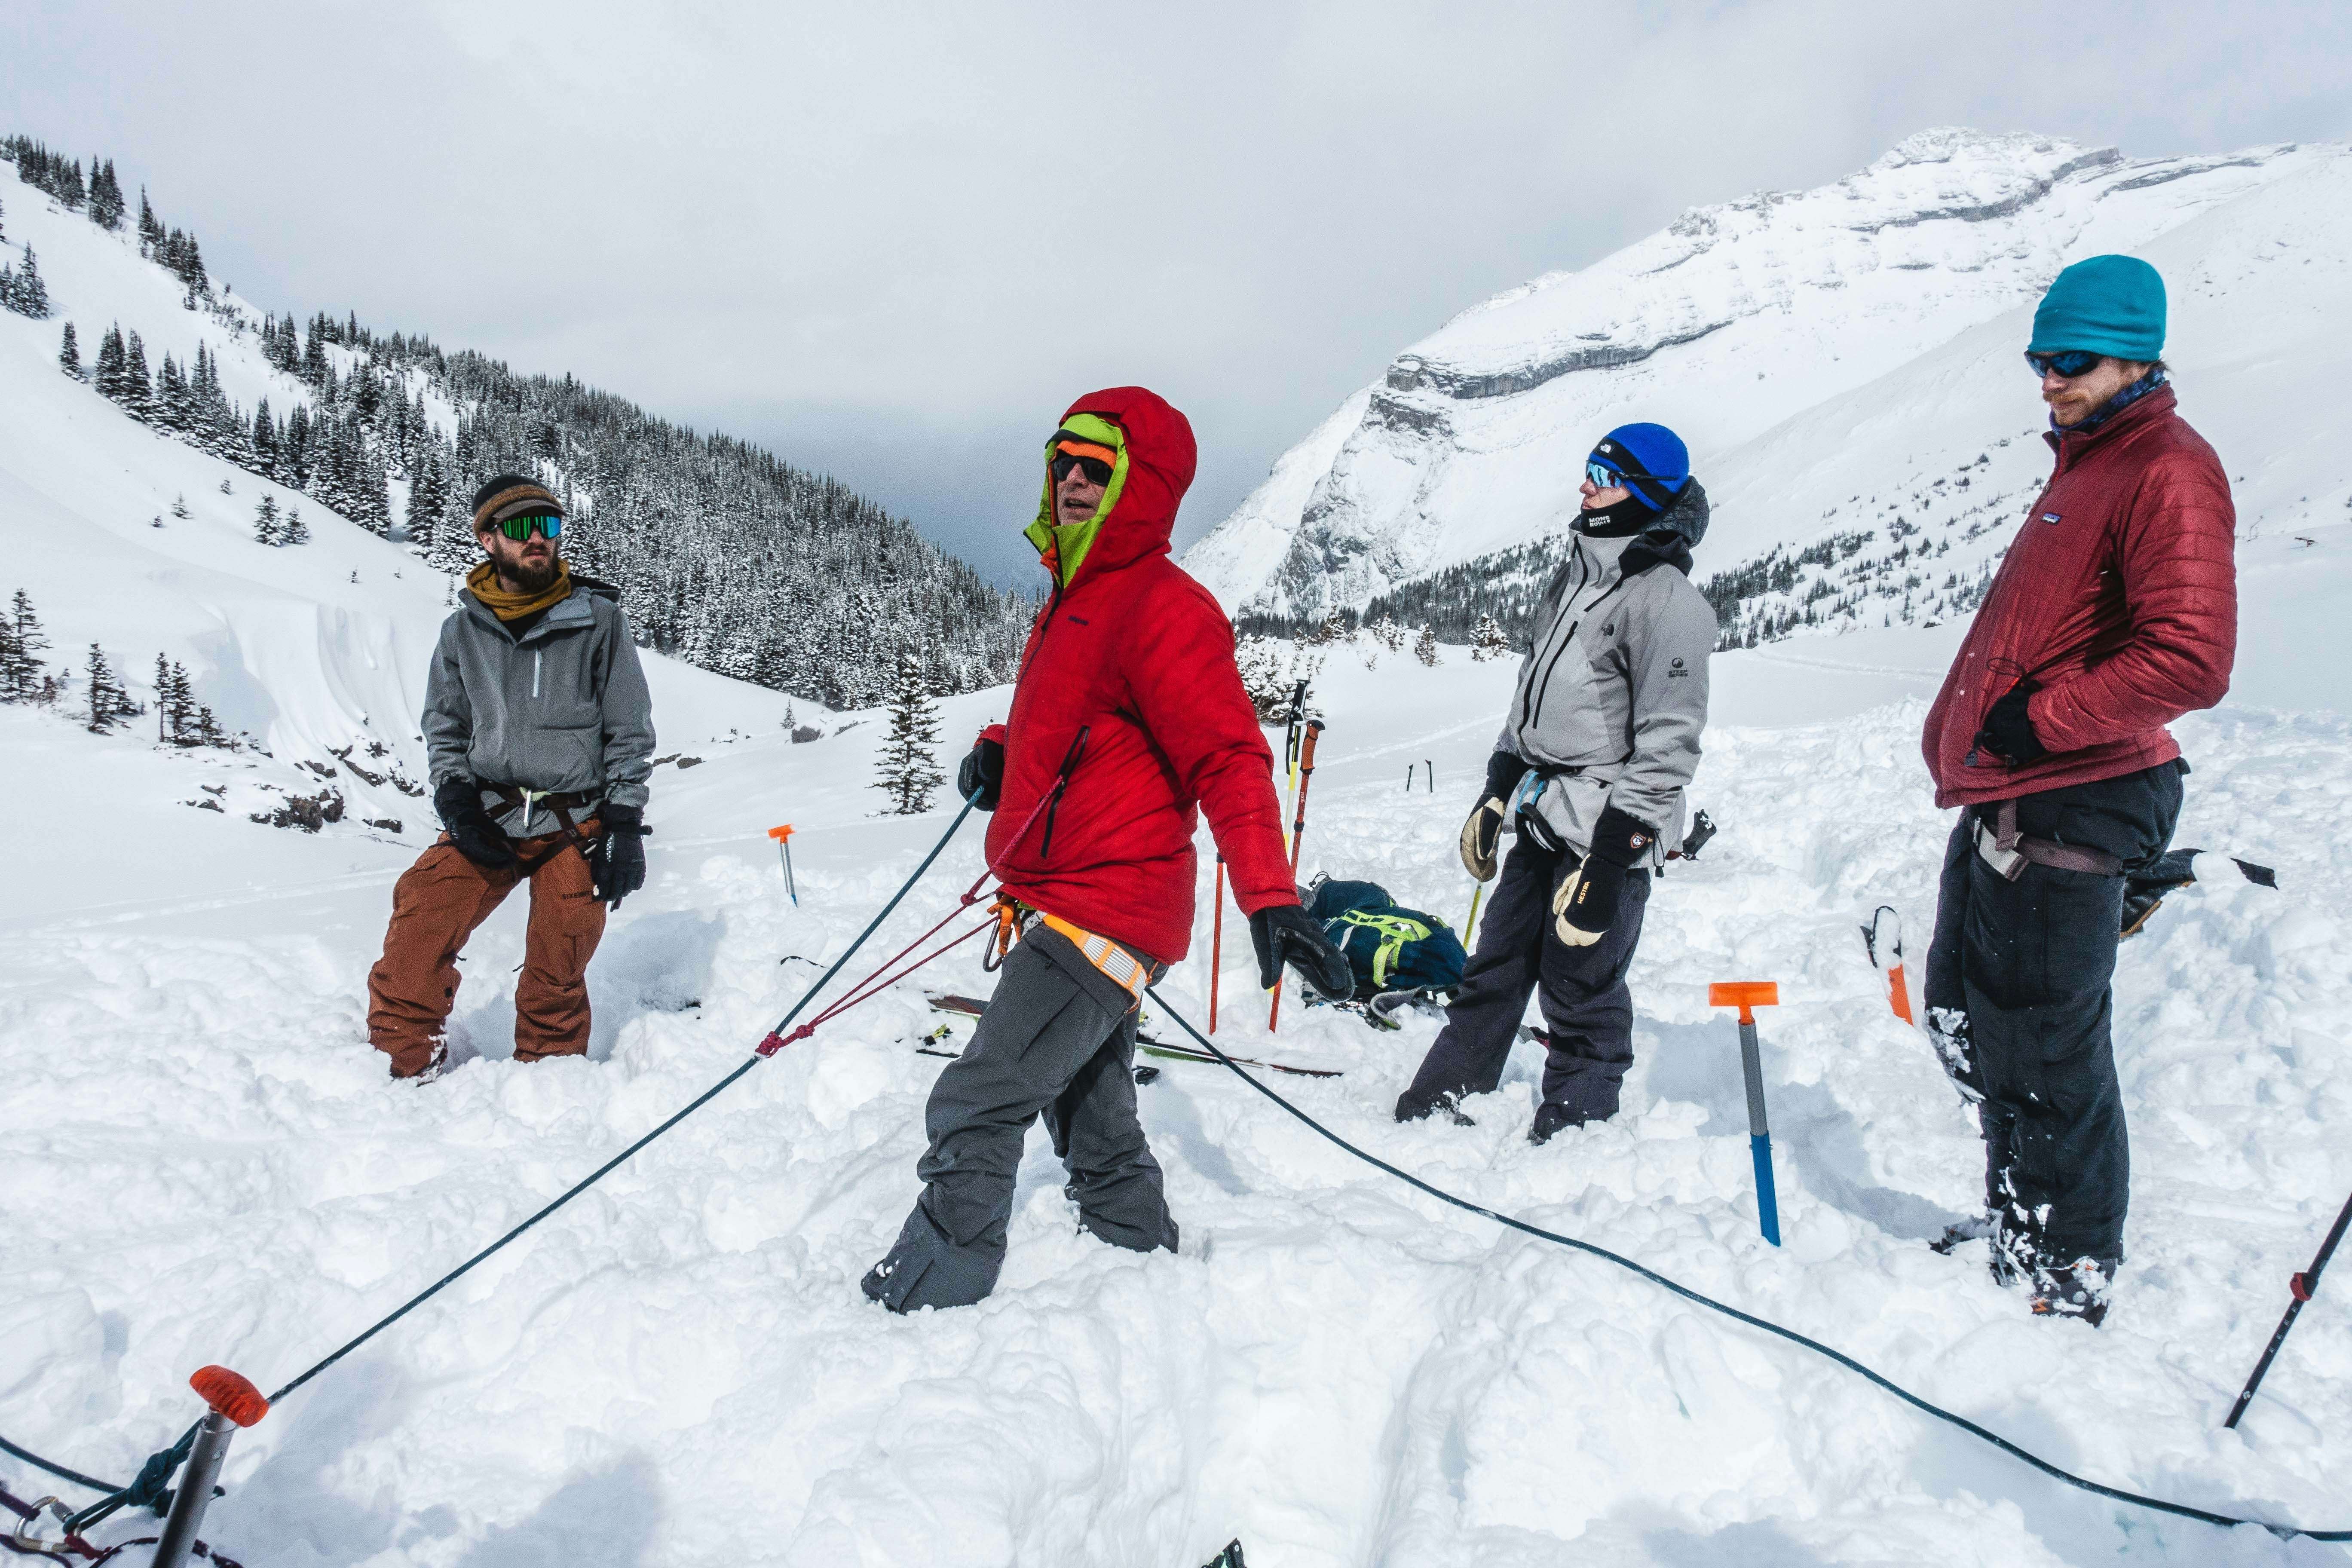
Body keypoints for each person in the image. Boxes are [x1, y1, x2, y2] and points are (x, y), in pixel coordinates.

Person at [863, 387, 1353, 1313]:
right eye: (1066, 463)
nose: (1077, 481)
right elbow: (1083, 725)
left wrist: (1269, 894)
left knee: (978, 1098)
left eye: (1100, 467)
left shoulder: (1163, 607)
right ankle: (1141, 1263)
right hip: (1068, 895)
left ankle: (930, 1298)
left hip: (1109, 909)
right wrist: (1002, 760)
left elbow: (1228, 754)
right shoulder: (1075, 598)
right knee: (1089, 1106)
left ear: (1142, 485)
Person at [1920, 255, 2236, 1326]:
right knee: (1969, 1015)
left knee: (2048, 1048)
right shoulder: (2090, 461)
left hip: (2081, 793)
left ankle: (2069, 1266)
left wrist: (2037, 721)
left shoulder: (2167, 470)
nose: (2048, 381)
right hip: (2014, 795)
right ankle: (2023, 1221)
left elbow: (2191, 658)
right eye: (2039, 360)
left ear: (2137, 355)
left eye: (2072, 361)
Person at [1395, 425, 1715, 1141]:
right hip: (1547, 807)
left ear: (1644, 491)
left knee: (1582, 982)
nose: (1584, 486)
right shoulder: (1578, 572)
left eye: (1603, 475)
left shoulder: (1668, 601)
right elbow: (1531, 692)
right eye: (1588, 470)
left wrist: (1609, 863)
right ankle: (1450, 1089)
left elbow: (1669, 745)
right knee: (1497, 961)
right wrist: (1496, 788)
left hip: (1610, 819)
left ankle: (1578, 1122)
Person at [364, 475, 655, 1081]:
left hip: (578, 821)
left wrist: (625, 824)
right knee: (419, 922)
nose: (539, 540)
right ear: (487, 539)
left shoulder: (599, 620)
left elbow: (629, 728)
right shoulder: (462, 631)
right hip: (491, 817)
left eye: (548, 527)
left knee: (559, 961)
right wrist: (456, 802)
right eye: (522, 528)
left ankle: (546, 1087)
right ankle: (399, 1072)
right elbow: (444, 726)